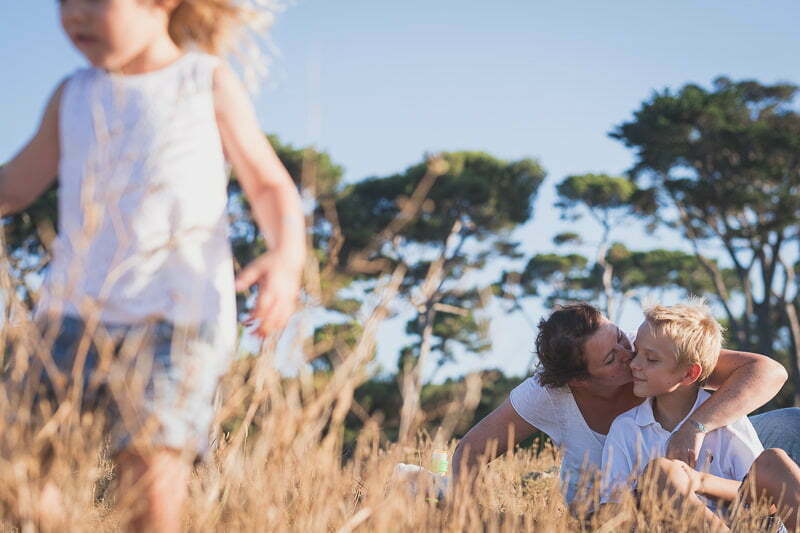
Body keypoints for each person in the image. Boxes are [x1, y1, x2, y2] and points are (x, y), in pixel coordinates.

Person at [0, 0, 305, 531]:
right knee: (14, 471)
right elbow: (15, 184)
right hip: (70, 316)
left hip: (176, 319)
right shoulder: (71, 94)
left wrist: (286, 257)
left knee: (148, 480)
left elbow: (267, 181)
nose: (74, 15)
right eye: (63, 1)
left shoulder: (202, 79)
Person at [452, 303, 799, 513]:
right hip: (623, 494)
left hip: (705, 456)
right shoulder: (545, 394)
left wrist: (696, 427)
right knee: (663, 480)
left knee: (790, 427)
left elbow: (767, 372)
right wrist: (466, 515)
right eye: (610, 359)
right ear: (581, 381)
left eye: (619, 336)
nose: (629, 354)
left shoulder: (651, 349)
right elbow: (471, 450)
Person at [600, 302, 800, 531]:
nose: (634, 364)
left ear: (689, 373)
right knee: (662, 472)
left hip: (744, 523)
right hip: (673, 525)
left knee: (774, 461)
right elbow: (612, 513)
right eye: (637, 353)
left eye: (651, 359)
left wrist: (698, 482)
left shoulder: (726, 419)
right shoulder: (626, 428)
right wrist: (657, 487)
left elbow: (754, 491)